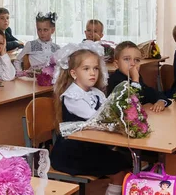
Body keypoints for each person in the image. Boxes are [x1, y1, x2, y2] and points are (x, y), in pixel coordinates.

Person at [50, 42, 128, 195]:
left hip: (90, 146)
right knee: (119, 168)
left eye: (95, 68)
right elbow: (98, 119)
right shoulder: (72, 97)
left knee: (125, 160)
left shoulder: (95, 93)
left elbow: (110, 112)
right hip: (71, 153)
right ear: (73, 73)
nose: (92, 73)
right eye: (86, 69)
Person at [107, 41, 170, 111]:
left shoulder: (137, 77)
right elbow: (130, 103)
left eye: (137, 60)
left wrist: (161, 100)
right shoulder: (115, 80)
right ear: (116, 64)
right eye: (127, 59)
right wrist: (135, 80)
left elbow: (149, 92)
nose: (133, 64)